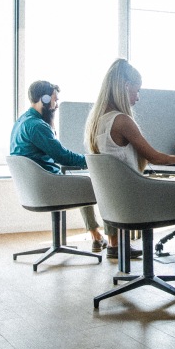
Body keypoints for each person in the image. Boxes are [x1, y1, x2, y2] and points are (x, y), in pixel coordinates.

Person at [84, 58, 175, 285]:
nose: (137, 98)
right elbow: (155, 157)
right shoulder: (122, 121)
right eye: (136, 91)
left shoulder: (96, 122)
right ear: (124, 86)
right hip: (137, 203)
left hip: (116, 204)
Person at [10, 80, 142, 259]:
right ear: (45, 98)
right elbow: (62, 156)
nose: (56, 105)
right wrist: (93, 161)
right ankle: (115, 244)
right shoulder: (37, 126)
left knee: (85, 183)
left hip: (36, 185)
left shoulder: (22, 121)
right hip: (47, 185)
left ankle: (96, 235)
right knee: (101, 184)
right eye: (55, 100)